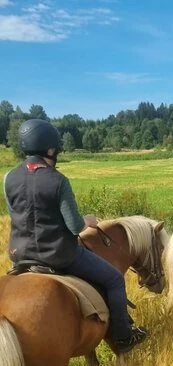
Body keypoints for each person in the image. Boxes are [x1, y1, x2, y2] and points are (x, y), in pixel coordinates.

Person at [3, 119, 146, 353]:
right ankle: (123, 337)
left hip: (20, 256)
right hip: (58, 256)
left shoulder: (9, 178)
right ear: (50, 150)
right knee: (114, 280)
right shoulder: (58, 180)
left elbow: (15, 214)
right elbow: (74, 227)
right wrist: (87, 221)